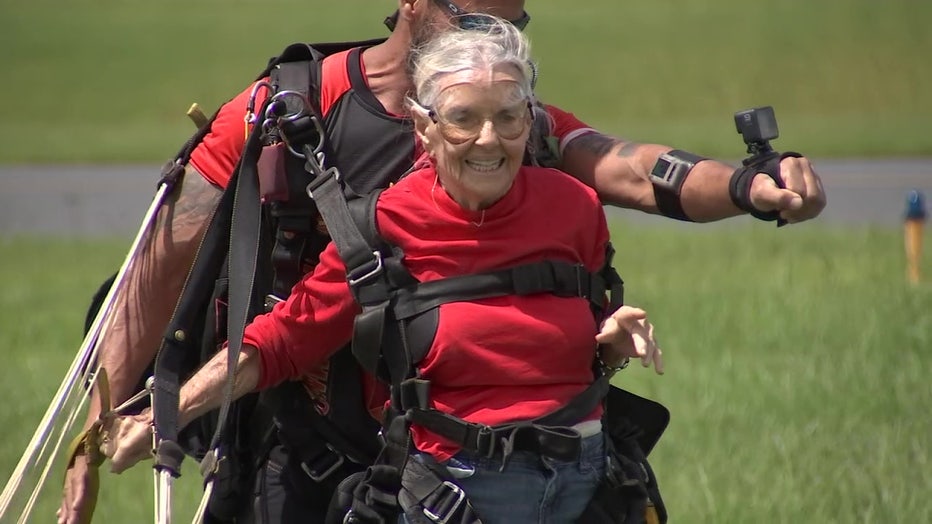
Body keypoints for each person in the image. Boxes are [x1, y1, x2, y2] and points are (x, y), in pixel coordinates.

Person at [57, 0, 825, 522]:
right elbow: (160, 267)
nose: (499, 37)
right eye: (479, 15)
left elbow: (630, 166)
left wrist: (751, 184)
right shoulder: (280, 109)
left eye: (516, 22)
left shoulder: (509, 117)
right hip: (308, 458)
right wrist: (98, 428)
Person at [105, 18, 663, 524]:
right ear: (424, 127)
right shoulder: (382, 225)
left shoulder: (575, 207)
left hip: (587, 487)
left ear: (529, 119)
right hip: (456, 497)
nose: (489, 139)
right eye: (464, 119)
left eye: (508, 117)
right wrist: (168, 411)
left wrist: (610, 341)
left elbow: (571, 330)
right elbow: (283, 339)